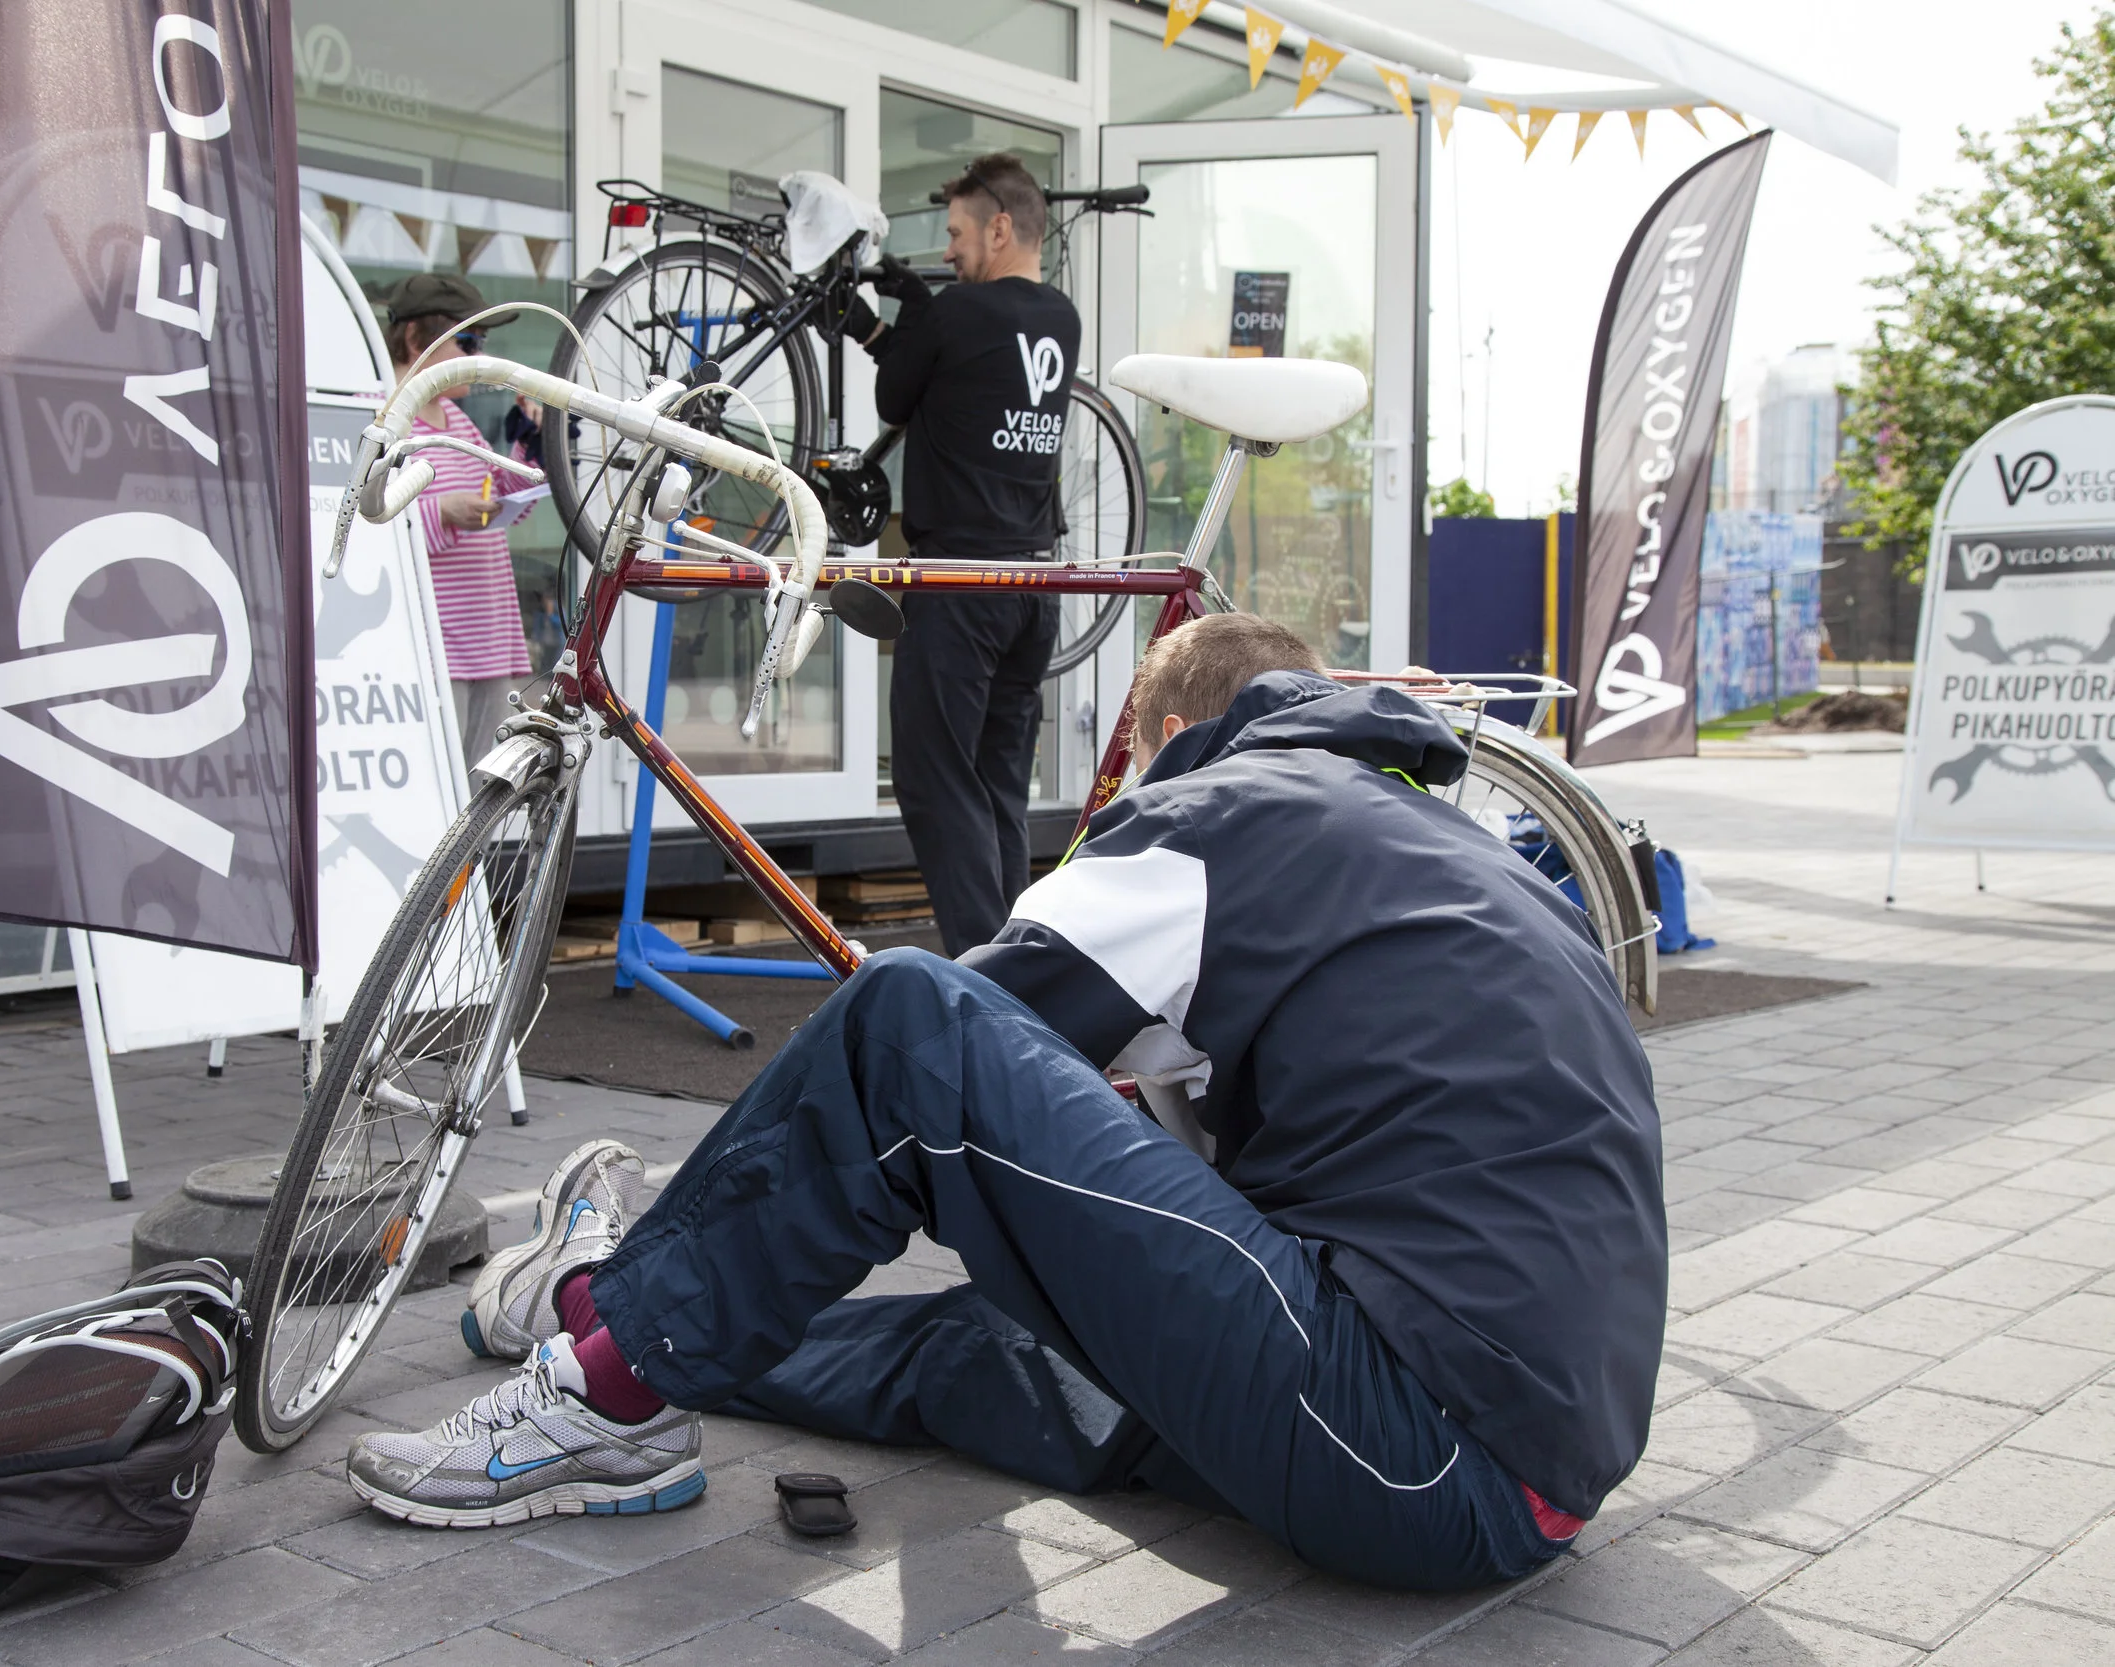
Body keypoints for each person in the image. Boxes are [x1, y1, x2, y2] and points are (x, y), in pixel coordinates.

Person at [346, 613, 1666, 1593]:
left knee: (908, 1015)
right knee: (990, 1344)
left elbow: (936, 1058)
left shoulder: (1219, 809)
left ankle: (610, 1382)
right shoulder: (1455, 846)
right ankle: (612, 1308)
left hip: (1403, 1437)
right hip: (1522, 1481)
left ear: (1159, 743)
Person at [851, 154, 1082, 956]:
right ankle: (1022, 966)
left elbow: (894, 397)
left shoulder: (955, 315)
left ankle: (986, 984)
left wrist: (905, 311)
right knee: (998, 789)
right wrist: (898, 325)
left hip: (958, 584)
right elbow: (947, 387)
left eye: (954, 232)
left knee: (934, 779)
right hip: (1032, 585)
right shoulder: (1061, 318)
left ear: (1000, 226)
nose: (947, 250)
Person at [381, 271, 540, 775]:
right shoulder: (384, 419)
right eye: (468, 341)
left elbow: (510, 499)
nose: (478, 356)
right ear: (414, 339)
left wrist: (531, 443)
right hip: (436, 653)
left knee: (481, 801)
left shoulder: (459, 420)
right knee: (438, 799)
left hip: (491, 641)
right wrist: (441, 511)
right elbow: (367, 529)